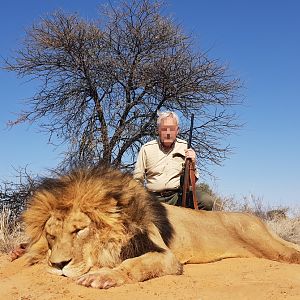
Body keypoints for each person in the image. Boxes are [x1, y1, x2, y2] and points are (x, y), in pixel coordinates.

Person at [133, 111, 214, 210]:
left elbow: (193, 180)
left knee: (206, 201)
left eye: (171, 129)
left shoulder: (185, 147)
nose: (168, 133)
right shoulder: (146, 148)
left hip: (177, 197)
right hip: (153, 198)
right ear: (158, 130)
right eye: (164, 129)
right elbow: (137, 180)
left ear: (177, 131)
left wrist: (193, 162)